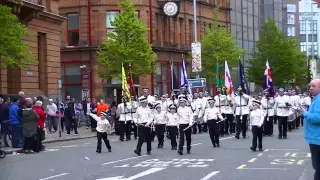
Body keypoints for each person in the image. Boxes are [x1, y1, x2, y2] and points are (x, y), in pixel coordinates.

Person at [302, 78, 320, 180]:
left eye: (314, 86)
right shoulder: (316, 98)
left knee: (318, 168)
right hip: (316, 138)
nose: (310, 88)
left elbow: (317, 118)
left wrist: (305, 113)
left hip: (317, 139)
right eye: (310, 86)